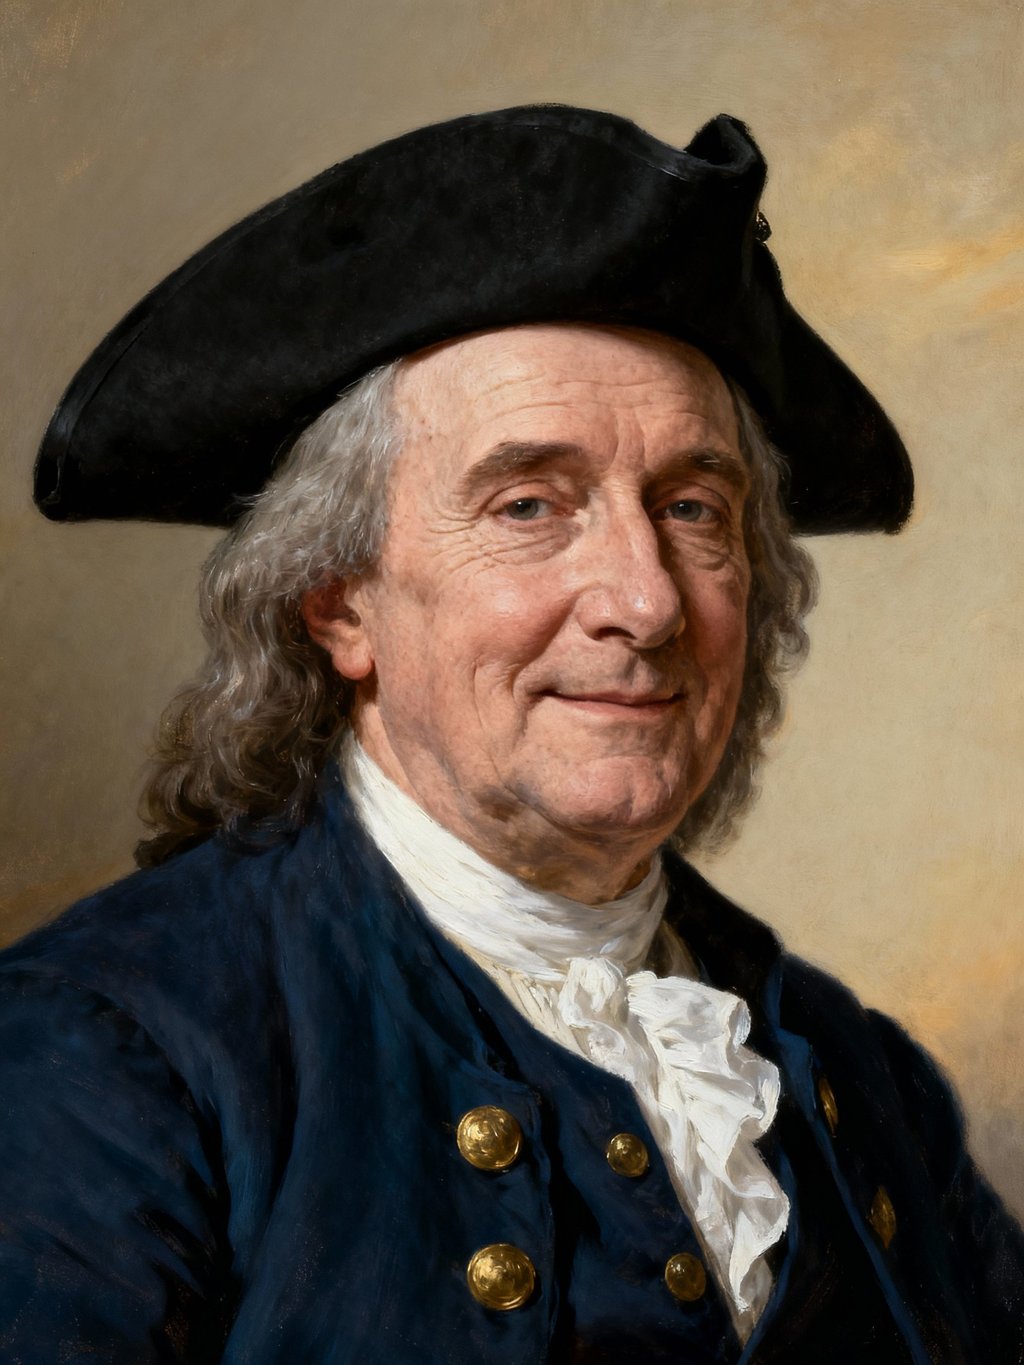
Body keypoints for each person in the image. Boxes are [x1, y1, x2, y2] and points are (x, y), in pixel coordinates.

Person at [2, 105, 1021, 1363]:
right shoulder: (104, 1054)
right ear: (339, 602)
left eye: (692, 509)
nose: (647, 601)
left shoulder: (857, 1076)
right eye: (530, 505)